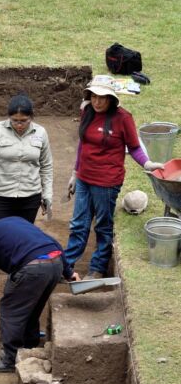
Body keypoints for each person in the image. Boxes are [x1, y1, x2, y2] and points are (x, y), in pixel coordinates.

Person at [64, 75, 164, 280]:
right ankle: (65, 266)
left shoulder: (123, 118)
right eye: (94, 96)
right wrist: (75, 173)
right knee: (78, 224)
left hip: (107, 182)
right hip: (84, 177)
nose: (97, 101)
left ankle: (97, 268)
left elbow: (134, 147)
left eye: (102, 97)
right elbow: (83, 145)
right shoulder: (87, 112)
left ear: (111, 99)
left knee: (102, 224)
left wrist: (147, 163)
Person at [0, 215, 80, 373]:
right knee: (33, 307)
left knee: (10, 311)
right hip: (55, 262)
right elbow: (51, 241)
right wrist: (68, 271)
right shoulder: (13, 221)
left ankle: (11, 359)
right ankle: (30, 345)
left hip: (32, 268)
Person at [0, 94, 53, 306]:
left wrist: (47, 193)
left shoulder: (40, 133)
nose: (19, 125)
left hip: (29, 198)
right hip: (0, 197)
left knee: (21, 242)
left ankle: (18, 283)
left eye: (23, 121)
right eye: (14, 121)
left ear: (31, 118)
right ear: (8, 118)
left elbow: (47, 165)